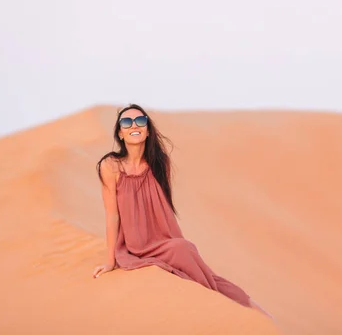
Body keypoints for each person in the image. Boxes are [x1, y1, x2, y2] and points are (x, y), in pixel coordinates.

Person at [92, 103, 272, 319]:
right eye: (126, 122)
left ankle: (248, 312)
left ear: (148, 130)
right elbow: (112, 215)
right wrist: (111, 260)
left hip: (164, 239)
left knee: (188, 252)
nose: (134, 126)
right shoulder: (110, 166)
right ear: (120, 133)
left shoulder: (159, 164)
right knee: (189, 258)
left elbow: (159, 208)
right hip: (133, 245)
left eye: (140, 121)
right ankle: (226, 308)